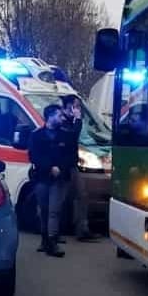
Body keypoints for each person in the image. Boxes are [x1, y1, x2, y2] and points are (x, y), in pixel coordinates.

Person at [29, 104, 70, 257]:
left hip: (58, 179)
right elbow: (34, 156)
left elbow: (70, 157)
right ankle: (44, 240)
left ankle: (52, 243)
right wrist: (49, 167)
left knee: (54, 211)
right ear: (50, 116)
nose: (62, 118)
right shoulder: (37, 136)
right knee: (43, 210)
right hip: (41, 177)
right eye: (59, 115)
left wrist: (60, 168)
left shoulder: (65, 136)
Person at [61, 95, 98, 242]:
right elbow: (71, 137)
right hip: (61, 167)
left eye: (78, 107)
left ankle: (82, 230)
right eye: (75, 106)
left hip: (72, 165)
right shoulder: (62, 121)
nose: (77, 110)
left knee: (82, 196)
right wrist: (78, 120)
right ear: (68, 107)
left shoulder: (71, 121)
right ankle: (53, 233)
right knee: (59, 199)